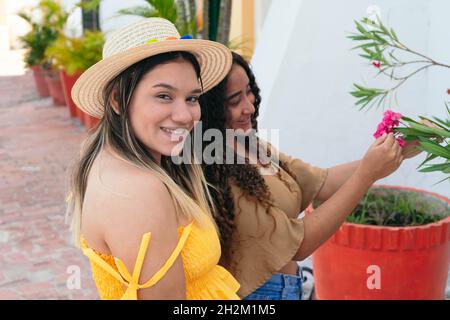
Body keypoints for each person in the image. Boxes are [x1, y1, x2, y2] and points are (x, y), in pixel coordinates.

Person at [199, 51, 421, 300]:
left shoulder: (246, 144)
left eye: (249, 91)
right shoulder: (216, 170)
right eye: (234, 100)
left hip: (290, 286)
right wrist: (367, 174)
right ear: (210, 110)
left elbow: (322, 181)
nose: (249, 106)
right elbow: (301, 245)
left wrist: (399, 150)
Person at [65, 18, 240, 300]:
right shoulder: (136, 190)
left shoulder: (134, 163)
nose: (185, 116)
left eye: (192, 98)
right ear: (117, 100)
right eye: (163, 96)